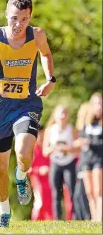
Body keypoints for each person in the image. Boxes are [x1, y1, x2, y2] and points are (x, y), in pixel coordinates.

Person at [0, 0, 55, 227]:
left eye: (24, 19)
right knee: (0, 164)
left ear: (30, 18)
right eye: (14, 18)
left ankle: (22, 177)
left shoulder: (37, 35)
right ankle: (4, 212)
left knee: (25, 153)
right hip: (0, 107)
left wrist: (50, 79)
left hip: (27, 103)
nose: (18, 24)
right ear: (7, 15)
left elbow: (46, 54)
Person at [43, 105, 80, 220]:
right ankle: (58, 219)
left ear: (68, 115)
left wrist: (66, 148)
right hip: (56, 164)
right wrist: (53, 148)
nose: (63, 116)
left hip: (69, 163)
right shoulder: (50, 130)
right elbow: (45, 151)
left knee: (73, 191)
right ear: (55, 115)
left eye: (65, 113)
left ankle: (75, 217)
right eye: (60, 113)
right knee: (56, 193)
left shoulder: (71, 129)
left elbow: (78, 149)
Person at [74, 93, 102, 221]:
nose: (99, 107)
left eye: (101, 104)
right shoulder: (85, 124)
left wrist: (91, 143)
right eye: (96, 104)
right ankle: (94, 218)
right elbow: (78, 139)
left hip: (99, 159)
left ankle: (99, 218)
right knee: (90, 192)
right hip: (86, 159)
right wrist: (79, 142)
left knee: (98, 191)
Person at [28, 126, 53, 220]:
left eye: (41, 133)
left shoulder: (49, 148)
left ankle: (50, 221)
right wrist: (39, 170)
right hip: (37, 181)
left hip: (50, 180)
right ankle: (36, 221)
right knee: (40, 202)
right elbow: (27, 168)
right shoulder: (31, 149)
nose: (40, 136)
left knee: (50, 202)